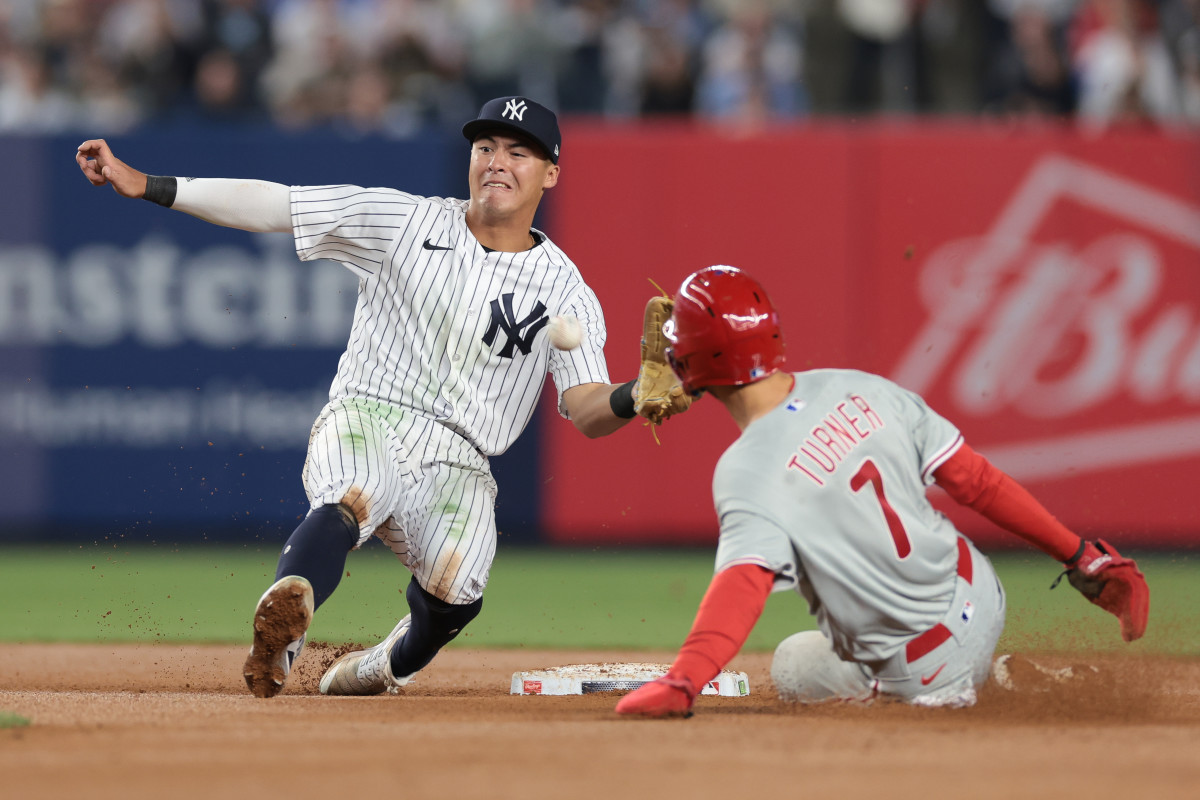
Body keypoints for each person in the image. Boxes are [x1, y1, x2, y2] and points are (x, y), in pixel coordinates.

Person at [76, 96, 648, 698]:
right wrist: (151, 186)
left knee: (458, 589)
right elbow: (277, 204)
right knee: (356, 491)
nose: (496, 162)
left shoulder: (567, 291)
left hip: (460, 462)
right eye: (485, 148)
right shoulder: (403, 221)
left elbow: (586, 408)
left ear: (551, 173)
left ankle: (382, 667)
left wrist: (636, 395)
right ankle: (283, 628)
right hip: (369, 413)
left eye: (518, 152)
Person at [615, 265, 1150, 717]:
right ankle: (998, 673)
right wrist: (1080, 554)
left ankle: (970, 686)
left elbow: (744, 583)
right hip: (982, 592)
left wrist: (683, 683)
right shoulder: (860, 385)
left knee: (793, 665)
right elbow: (976, 481)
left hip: (925, 670)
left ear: (689, 366)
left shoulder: (747, 469)